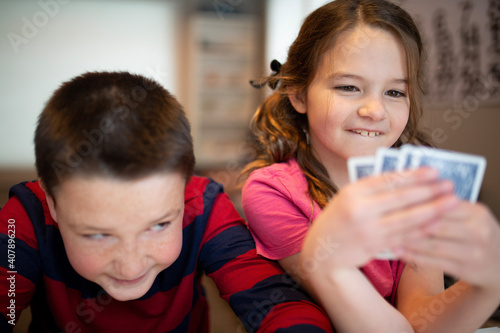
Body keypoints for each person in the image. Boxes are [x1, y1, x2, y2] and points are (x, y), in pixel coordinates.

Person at [0, 71, 334, 332]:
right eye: (97, 235)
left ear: (184, 189)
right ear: (52, 201)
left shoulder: (203, 204)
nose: (131, 267)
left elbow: (275, 303)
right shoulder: (26, 217)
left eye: (160, 225)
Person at [242, 0, 500, 332]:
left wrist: (488, 284)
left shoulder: (416, 186)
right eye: (348, 87)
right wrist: (331, 267)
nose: (374, 110)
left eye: (394, 91)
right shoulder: (272, 193)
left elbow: (420, 322)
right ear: (299, 93)